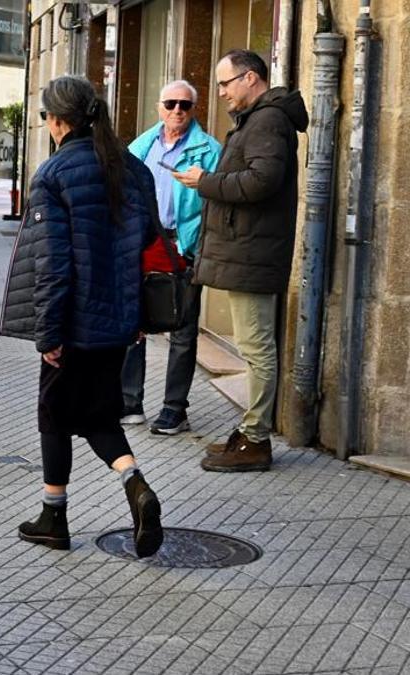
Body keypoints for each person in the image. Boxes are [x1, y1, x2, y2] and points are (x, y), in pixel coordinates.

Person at [0, 75, 164, 558]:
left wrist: (48, 333)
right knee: (98, 414)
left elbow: (53, 262)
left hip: (71, 321)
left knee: (54, 415)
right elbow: (147, 244)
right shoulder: (133, 169)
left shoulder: (54, 174)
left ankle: (54, 515)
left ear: (57, 120)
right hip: (119, 320)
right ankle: (136, 484)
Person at [174, 49, 307, 472]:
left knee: (256, 348)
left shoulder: (268, 120)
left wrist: (205, 182)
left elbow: (261, 180)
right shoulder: (259, 119)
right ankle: (251, 432)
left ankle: (255, 439)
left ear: (250, 78)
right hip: (248, 251)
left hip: (253, 253)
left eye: (226, 83)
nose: (221, 92)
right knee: (255, 346)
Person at [120, 80, 222, 433]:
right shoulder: (140, 146)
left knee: (182, 328)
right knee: (133, 324)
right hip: (142, 244)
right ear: (159, 108)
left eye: (185, 105)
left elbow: (216, 204)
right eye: (171, 103)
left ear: (194, 110)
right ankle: (129, 402)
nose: (177, 110)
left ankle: (174, 407)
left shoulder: (210, 150)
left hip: (183, 246)